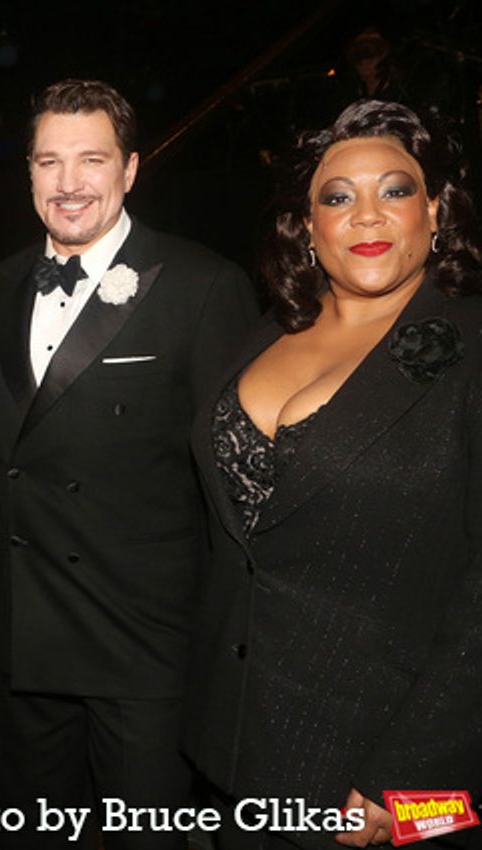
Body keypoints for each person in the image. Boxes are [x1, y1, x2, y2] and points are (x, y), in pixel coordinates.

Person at [0, 79, 258, 850]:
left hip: (143, 649)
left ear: (130, 169)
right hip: (25, 640)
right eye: (49, 162)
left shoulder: (203, 287)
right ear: (27, 172)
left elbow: (238, 486)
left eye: (91, 160)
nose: (69, 184)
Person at [185, 99, 482, 850]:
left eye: (397, 189)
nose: (367, 216)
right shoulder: (273, 327)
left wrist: (411, 782)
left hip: (381, 777)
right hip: (238, 746)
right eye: (338, 197)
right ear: (307, 226)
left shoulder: (473, 346)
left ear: (438, 209)